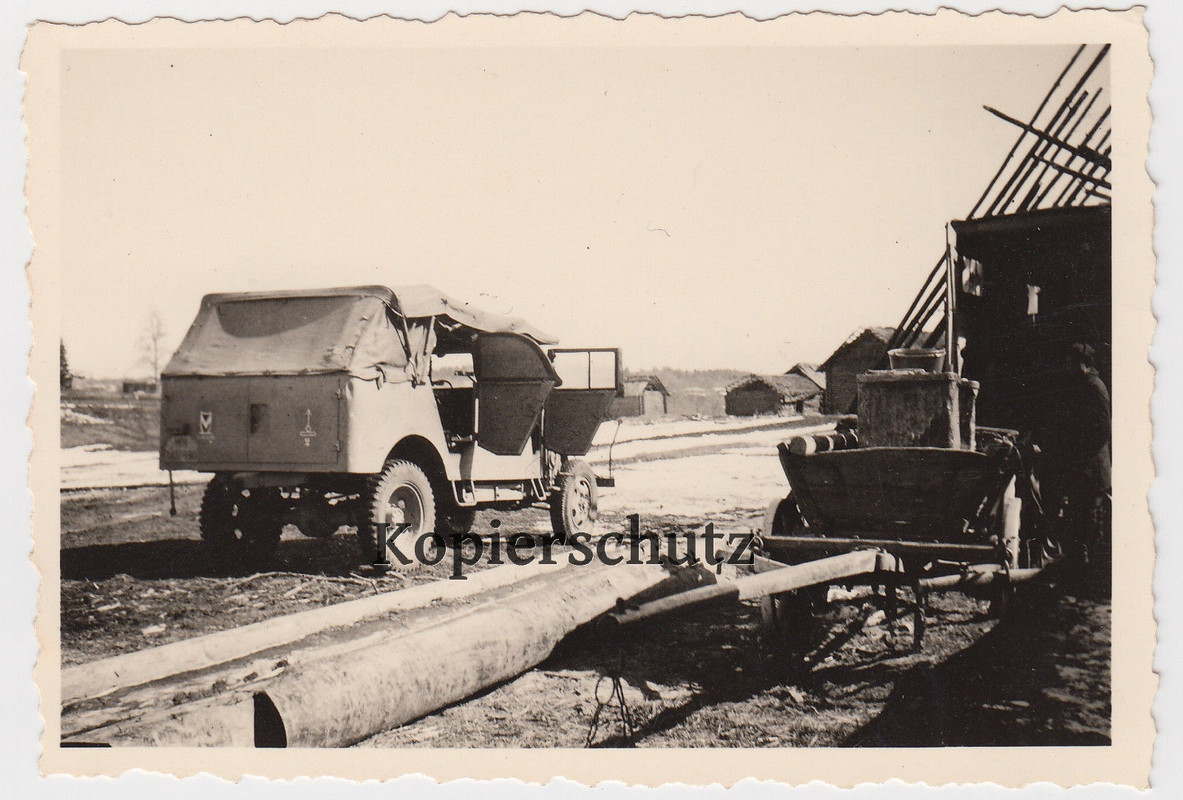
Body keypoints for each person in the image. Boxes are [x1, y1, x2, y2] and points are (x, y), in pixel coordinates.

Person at [1036, 342, 1111, 578]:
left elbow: (1101, 430)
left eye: (1071, 362)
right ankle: (1078, 569)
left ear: (1085, 364)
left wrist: (1076, 452)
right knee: (1077, 519)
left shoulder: (1094, 388)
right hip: (1082, 469)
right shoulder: (1081, 386)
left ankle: (1086, 573)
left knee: (1088, 521)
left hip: (1091, 468)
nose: (1067, 366)